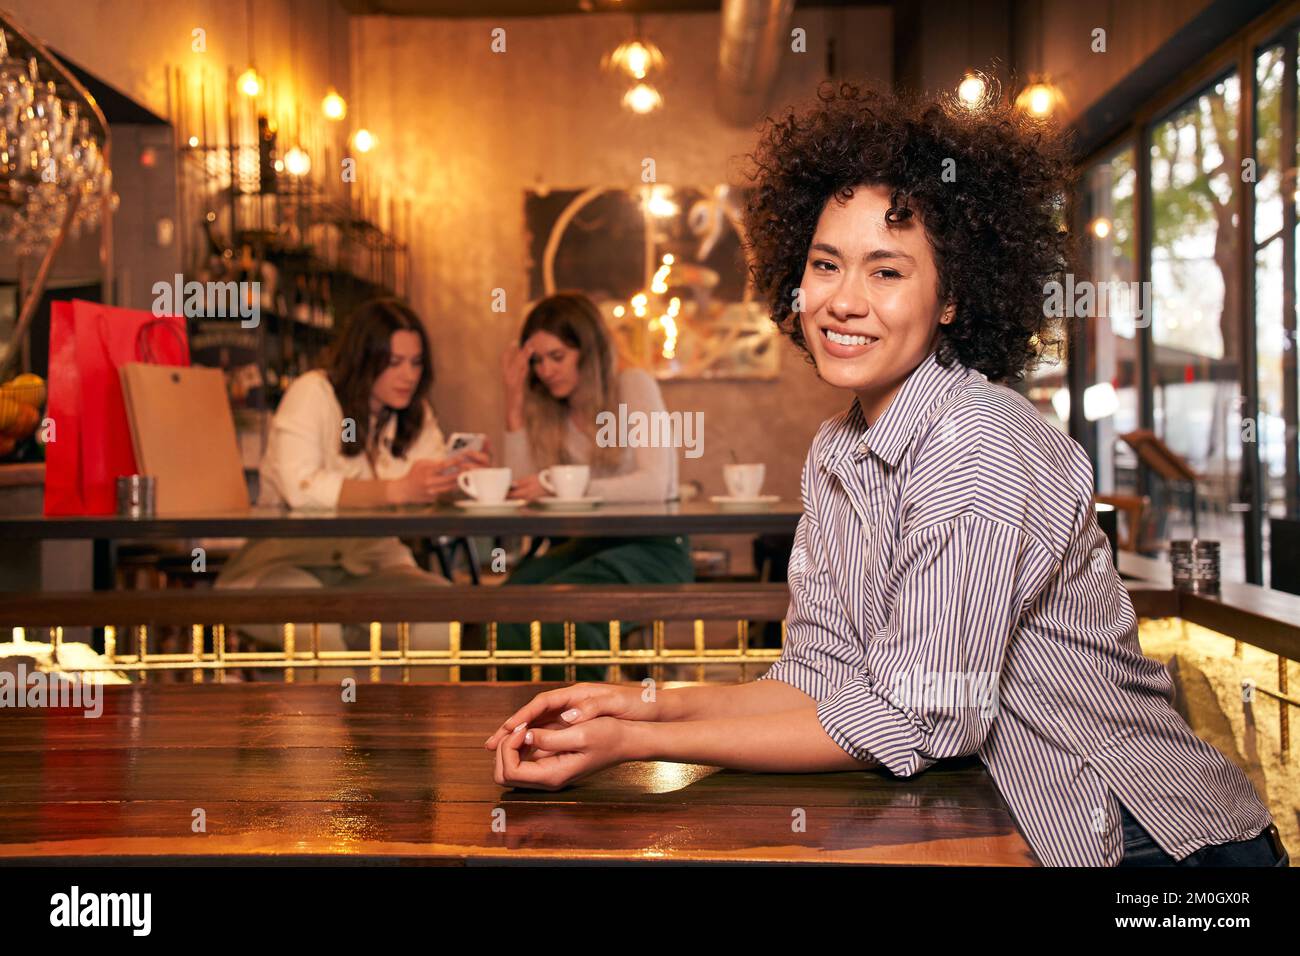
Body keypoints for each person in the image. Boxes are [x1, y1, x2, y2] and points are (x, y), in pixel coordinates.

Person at [480, 82, 1288, 868]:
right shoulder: (839, 450)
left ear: (951, 298)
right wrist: (637, 703)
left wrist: (637, 742)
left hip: (1165, 844)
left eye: (887, 271)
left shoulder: (978, 445)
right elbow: (817, 680)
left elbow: (921, 713)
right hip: (1028, 821)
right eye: (826, 265)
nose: (844, 301)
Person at [216, 298, 489, 669]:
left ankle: (426, 728)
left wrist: (457, 477)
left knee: (440, 615)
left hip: (374, 566)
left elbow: (427, 484)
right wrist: (398, 490)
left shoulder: (414, 414)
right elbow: (302, 489)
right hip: (280, 565)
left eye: (415, 362)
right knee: (319, 632)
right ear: (364, 358)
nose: (408, 375)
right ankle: (334, 730)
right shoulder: (314, 393)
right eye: (393, 363)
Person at [495, 292, 693, 680]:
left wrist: (559, 486)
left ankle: (577, 724)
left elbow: (657, 484)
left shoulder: (634, 385)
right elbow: (521, 489)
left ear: (588, 352)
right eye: (537, 361)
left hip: (655, 548)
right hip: (588, 545)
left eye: (557, 356)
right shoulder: (557, 409)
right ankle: (506, 718)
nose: (546, 370)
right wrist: (514, 401)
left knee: (567, 611)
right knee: (506, 605)